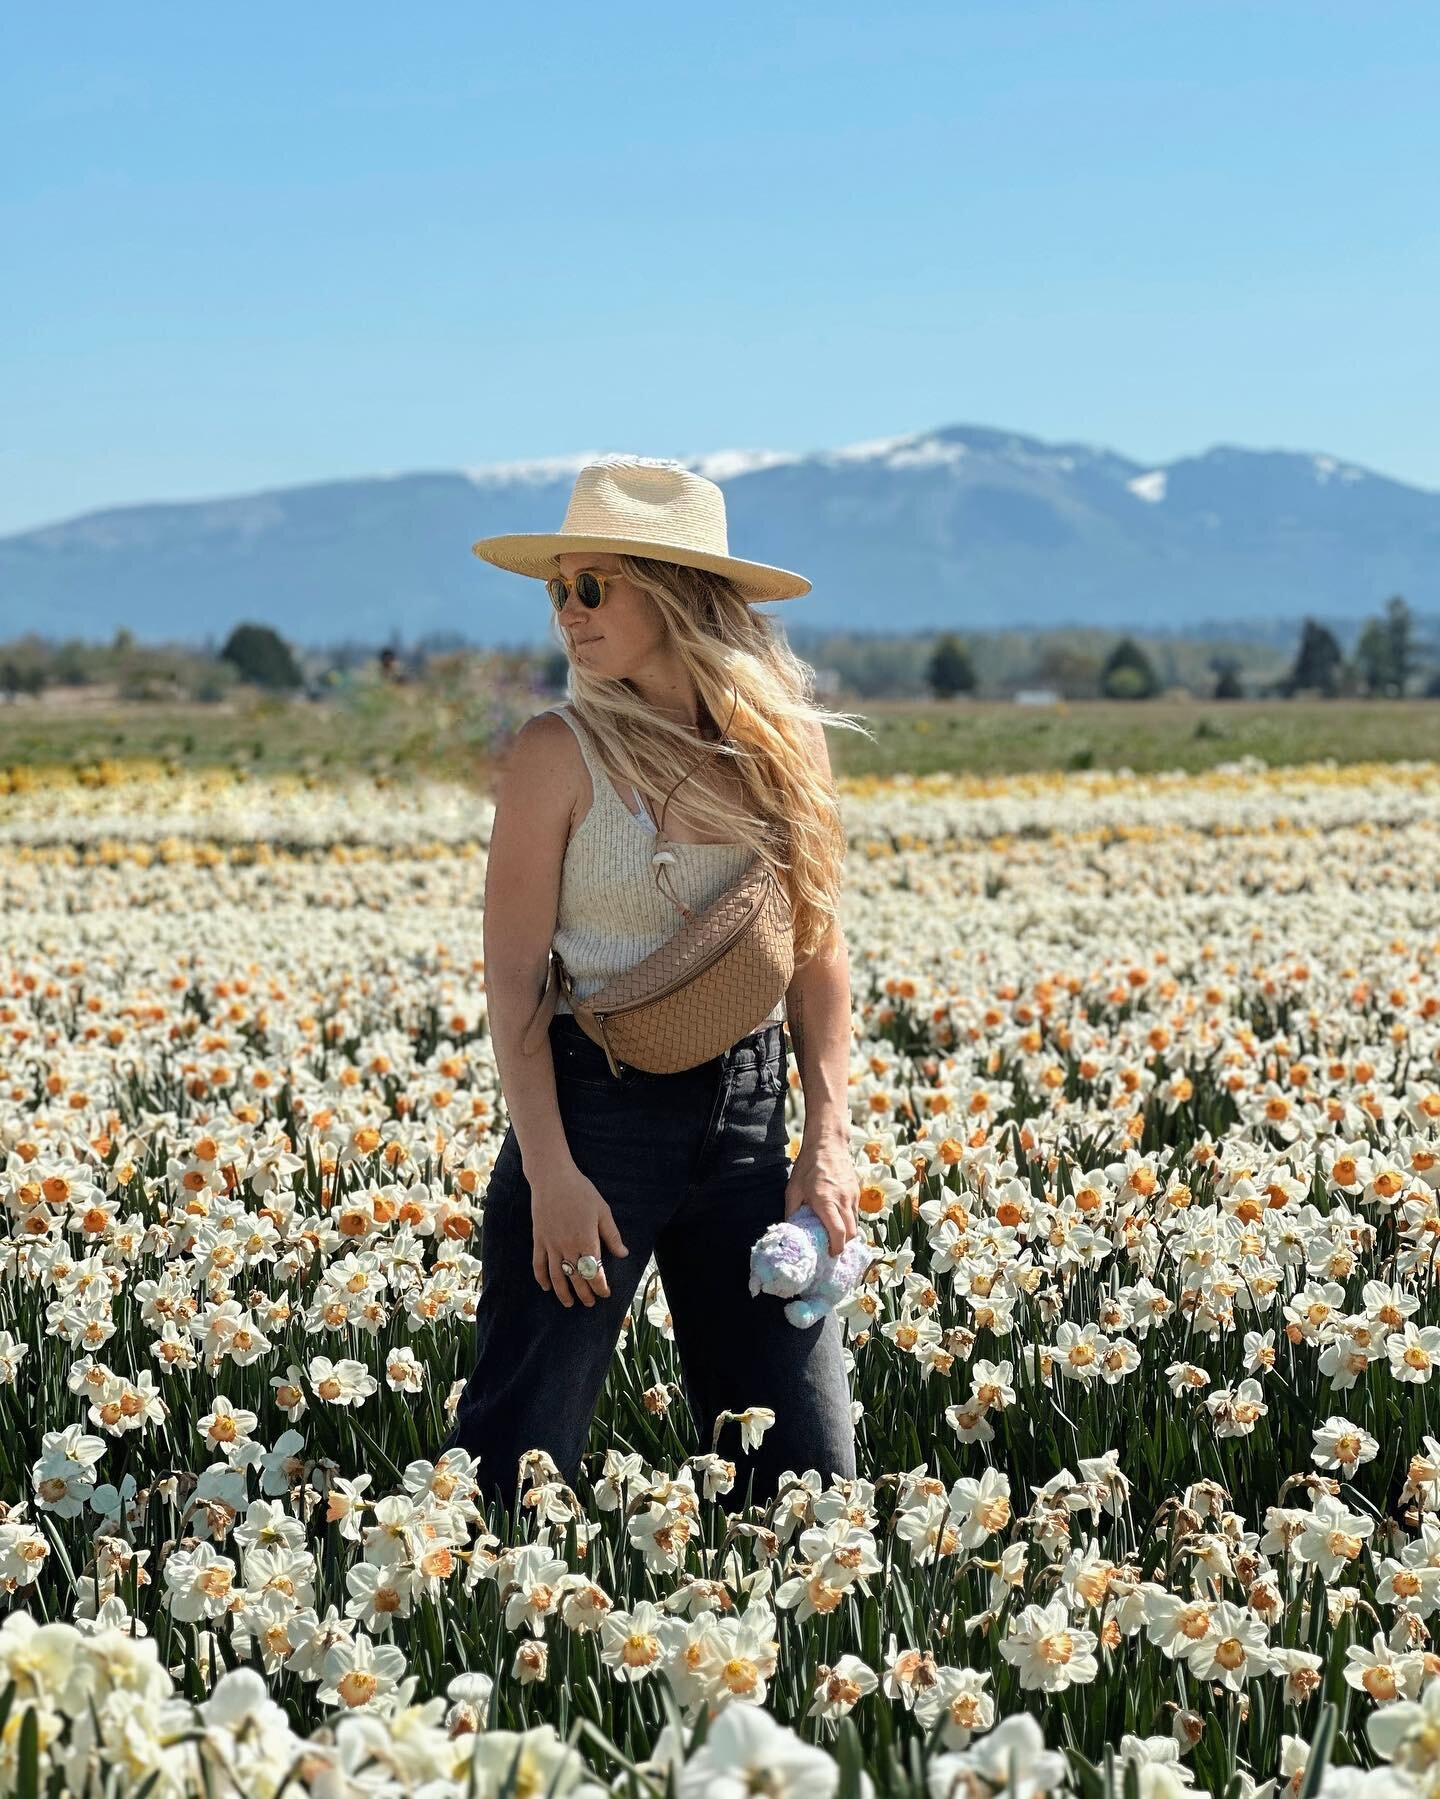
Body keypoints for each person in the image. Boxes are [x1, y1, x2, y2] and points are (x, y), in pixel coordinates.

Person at [442, 455, 864, 1516]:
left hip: (750, 1119)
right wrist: (550, 1170)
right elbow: (513, 985)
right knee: (514, 1467)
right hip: (595, 1118)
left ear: (674, 593)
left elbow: (817, 958)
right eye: (557, 590)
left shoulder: (785, 745)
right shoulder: (556, 751)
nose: (567, 614)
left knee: (807, 1487)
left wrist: (828, 1141)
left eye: (593, 587)